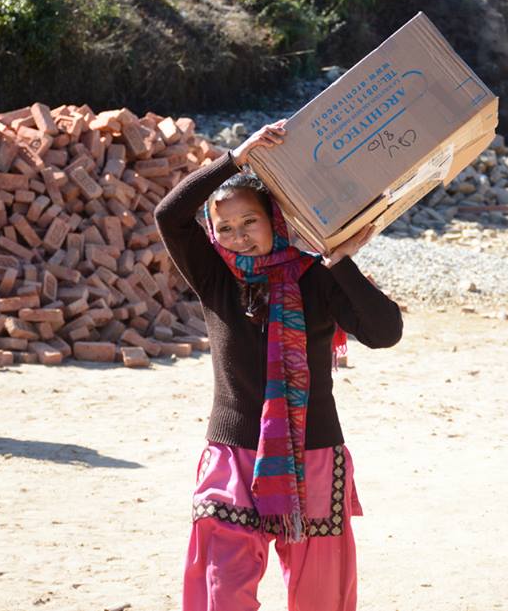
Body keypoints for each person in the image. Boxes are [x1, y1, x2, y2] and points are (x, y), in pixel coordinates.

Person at [154, 119, 403, 611]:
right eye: (224, 227)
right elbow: (169, 215)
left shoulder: (316, 277)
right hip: (232, 457)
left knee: (319, 598)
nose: (239, 236)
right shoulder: (216, 279)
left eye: (250, 222)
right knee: (219, 591)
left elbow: (384, 331)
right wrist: (237, 158)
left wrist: (340, 261)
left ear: (275, 219)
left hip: (312, 454)